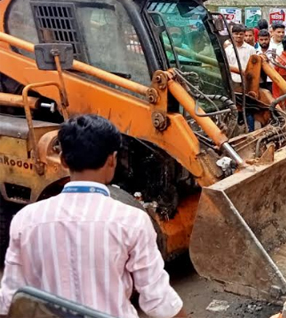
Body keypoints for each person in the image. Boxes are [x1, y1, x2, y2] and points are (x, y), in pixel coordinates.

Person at [0, 115, 184, 318]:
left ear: (62, 160)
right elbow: (160, 301)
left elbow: (10, 300)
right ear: (112, 160)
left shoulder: (26, 219)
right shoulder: (132, 221)